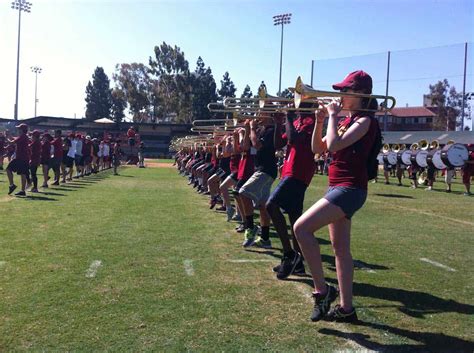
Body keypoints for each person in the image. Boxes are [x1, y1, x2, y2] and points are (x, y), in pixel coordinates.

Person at [294, 70, 379, 323]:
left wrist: (332, 116)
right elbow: (318, 148)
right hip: (337, 187)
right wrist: (321, 121)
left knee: (301, 229)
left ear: (361, 94)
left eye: (345, 90)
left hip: (351, 188)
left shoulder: (365, 121)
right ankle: (346, 309)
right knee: (340, 250)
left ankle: (322, 291)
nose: (340, 95)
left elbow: (333, 146)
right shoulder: (346, 120)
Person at [266, 109, 316, 279]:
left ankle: (289, 255)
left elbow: (294, 139)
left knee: (271, 205)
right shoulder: (296, 122)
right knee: (294, 217)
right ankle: (298, 264)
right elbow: (278, 145)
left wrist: (287, 116)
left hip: (298, 172)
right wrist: (277, 122)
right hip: (289, 171)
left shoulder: (311, 121)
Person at [238, 115, 276, 247]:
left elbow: (257, 145)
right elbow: (247, 147)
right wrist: (248, 130)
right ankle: (265, 239)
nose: (258, 115)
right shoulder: (260, 130)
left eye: (262, 111)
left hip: (266, 170)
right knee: (262, 205)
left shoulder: (271, 130)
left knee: (242, 192)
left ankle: (250, 226)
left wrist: (253, 128)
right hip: (260, 169)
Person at [6, 123, 30, 196]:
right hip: (23, 158)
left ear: (22, 130)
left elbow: (11, 143)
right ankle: (22, 190)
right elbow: (14, 139)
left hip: (20, 158)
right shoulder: (23, 136)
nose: (18, 129)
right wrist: (9, 136)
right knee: (23, 174)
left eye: (19, 128)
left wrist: (6, 137)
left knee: (8, 169)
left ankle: (12, 185)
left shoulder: (22, 136)